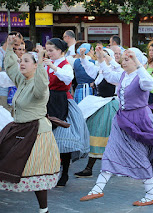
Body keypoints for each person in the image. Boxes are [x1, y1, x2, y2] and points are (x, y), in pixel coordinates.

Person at [79, 47, 153, 206]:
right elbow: (108, 75)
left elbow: (149, 84)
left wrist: (137, 63)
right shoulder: (124, 75)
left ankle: (151, 194)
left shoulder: (141, 77)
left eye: (128, 58)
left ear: (137, 61)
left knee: (139, 155)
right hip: (121, 119)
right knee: (111, 151)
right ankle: (97, 188)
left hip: (139, 121)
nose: (124, 61)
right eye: (124, 58)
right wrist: (101, 58)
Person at [0, 35, 60, 213]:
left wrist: (41, 62)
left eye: (26, 61)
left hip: (37, 132)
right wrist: (10, 48)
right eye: (21, 60)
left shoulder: (38, 84)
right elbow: (10, 68)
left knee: (35, 171)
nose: (22, 63)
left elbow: (42, 86)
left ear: (36, 65)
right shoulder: (22, 80)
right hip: (19, 128)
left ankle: (44, 209)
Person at [44, 38, 90, 187]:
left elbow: (68, 78)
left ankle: (63, 173)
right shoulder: (48, 65)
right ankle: (51, 170)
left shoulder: (65, 65)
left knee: (63, 138)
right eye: (47, 50)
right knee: (48, 137)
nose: (49, 53)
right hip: (47, 102)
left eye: (51, 50)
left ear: (60, 51)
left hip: (62, 103)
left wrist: (53, 67)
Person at [74, 47, 119, 178]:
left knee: (106, 136)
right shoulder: (100, 72)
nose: (102, 59)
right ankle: (89, 168)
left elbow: (108, 75)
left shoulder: (114, 72)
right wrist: (82, 56)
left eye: (104, 56)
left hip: (110, 106)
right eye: (101, 56)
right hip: (99, 105)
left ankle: (113, 166)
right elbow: (89, 68)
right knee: (95, 134)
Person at [0, 31, 23, 113]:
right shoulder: (1, 53)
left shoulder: (13, 54)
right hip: (3, 91)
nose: (16, 47)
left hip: (13, 90)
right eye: (15, 44)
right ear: (8, 40)